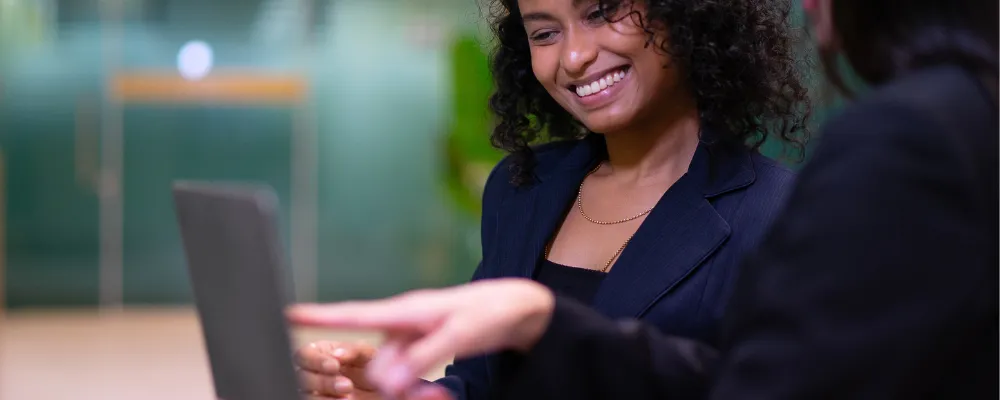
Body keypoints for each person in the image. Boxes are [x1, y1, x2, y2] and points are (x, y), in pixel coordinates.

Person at [288, 0, 999, 399]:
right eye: (543, 32)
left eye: (601, 11)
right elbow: (486, 385)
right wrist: (412, 395)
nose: (572, 56)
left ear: (686, 17)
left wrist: (541, 323)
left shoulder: (780, 214)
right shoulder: (522, 187)